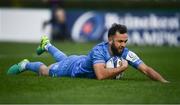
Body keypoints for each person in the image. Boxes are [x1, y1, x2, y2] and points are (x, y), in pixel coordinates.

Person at [7, 23, 169, 83]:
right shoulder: (99, 50)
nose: (123, 45)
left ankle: (47, 45)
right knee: (45, 71)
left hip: (80, 60)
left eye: (125, 41)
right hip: (71, 70)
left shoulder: (124, 52)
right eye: (120, 41)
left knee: (65, 58)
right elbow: (100, 75)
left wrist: (163, 82)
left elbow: (146, 69)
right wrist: (121, 68)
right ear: (111, 39)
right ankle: (26, 64)